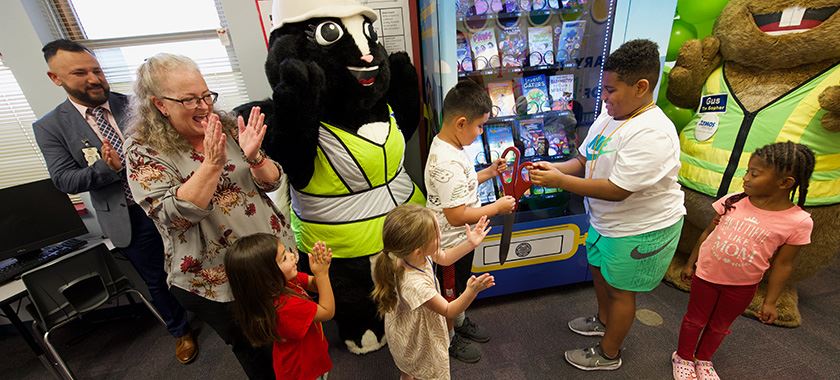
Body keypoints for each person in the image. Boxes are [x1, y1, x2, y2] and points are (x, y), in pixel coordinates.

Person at [124, 53, 289, 379]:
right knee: (259, 352)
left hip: (271, 258)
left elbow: (273, 180)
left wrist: (255, 158)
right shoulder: (143, 149)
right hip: (219, 280)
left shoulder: (225, 125)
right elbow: (172, 216)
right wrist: (211, 165)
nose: (203, 106)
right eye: (189, 99)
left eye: (205, 95)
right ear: (160, 105)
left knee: (287, 337)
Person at [32, 39, 196, 364]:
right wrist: (105, 169)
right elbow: (63, 179)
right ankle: (181, 332)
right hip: (129, 217)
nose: (94, 79)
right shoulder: (51, 127)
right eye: (81, 73)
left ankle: (216, 311)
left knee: (199, 258)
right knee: (157, 278)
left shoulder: (133, 104)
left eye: (97, 70)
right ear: (56, 78)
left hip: (170, 201)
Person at [529, 39, 686, 371]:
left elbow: (617, 190)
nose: (605, 97)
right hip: (606, 223)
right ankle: (604, 320)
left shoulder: (653, 133)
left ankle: (608, 353)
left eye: (612, 90)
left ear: (641, 87)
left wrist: (560, 182)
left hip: (639, 229)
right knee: (601, 275)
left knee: (621, 292)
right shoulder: (610, 114)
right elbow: (583, 159)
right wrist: (552, 169)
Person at [671, 142, 815, 380]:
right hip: (706, 276)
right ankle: (684, 356)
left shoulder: (798, 222)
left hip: (742, 286)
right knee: (694, 319)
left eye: (754, 174)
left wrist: (770, 301)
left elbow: (783, 264)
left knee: (719, 325)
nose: (745, 178)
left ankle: (703, 358)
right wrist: (690, 263)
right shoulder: (733, 200)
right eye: (747, 171)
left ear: (785, 183)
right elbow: (708, 233)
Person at [423, 79, 516, 363]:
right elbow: (455, 215)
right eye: (480, 126)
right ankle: (449, 337)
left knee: (462, 284)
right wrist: (496, 208)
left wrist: (487, 173)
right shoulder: (447, 161)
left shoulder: (451, 147)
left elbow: (461, 187)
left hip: (463, 241)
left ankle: (459, 320)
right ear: (461, 123)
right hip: (449, 248)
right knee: (449, 295)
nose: (481, 132)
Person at [371, 204, 496, 379]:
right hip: (417, 337)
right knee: (421, 369)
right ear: (418, 250)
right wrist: (471, 291)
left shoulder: (407, 254)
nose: (441, 236)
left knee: (408, 370)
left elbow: (444, 258)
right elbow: (448, 310)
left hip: (405, 326)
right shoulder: (415, 285)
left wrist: (470, 243)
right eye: (437, 235)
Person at [226, 234, 335, 380]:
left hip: (309, 355)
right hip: (302, 370)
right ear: (265, 275)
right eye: (284, 258)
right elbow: (327, 312)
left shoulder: (281, 282)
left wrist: (320, 273)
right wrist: (322, 274)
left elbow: (314, 285)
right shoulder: (284, 307)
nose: (292, 255)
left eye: (286, 251)